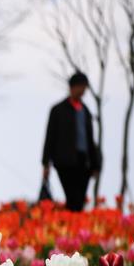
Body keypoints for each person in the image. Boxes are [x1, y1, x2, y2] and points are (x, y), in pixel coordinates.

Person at [41, 72, 101, 212]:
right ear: (73, 87)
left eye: (85, 88)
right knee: (72, 197)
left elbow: (91, 141)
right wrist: (46, 163)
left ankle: (74, 227)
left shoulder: (85, 111)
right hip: (65, 162)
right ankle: (71, 225)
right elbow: (50, 136)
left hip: (84, 163)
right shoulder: (58, 110)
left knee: (79, 200)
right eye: (81, 87)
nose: (83, 91)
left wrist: (96, 165)